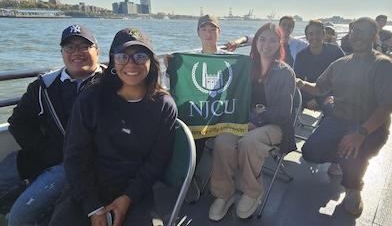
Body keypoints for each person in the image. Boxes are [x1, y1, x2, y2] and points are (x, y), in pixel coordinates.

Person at [49, 28, 177, 226]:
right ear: (113, 61)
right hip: (86, 189)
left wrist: (127, 198)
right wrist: (93, 207)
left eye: (140, 56)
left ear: (151, 62)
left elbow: (156, 162)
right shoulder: (90, 99)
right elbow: (75, 156)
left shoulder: (163, 105)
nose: (131, 63)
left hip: (135, 192)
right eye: (123, 56)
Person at [0, 24, 103, 225]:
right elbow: (18, 122)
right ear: (62, 52)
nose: (77, 53)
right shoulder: (44, 86)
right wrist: (46, 151)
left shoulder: (111, 84)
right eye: (70, 48)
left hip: (83, 164)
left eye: (84, 46)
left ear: (97, 51)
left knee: (21, 216)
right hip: (46, 156)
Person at [297, 17, 392, 216]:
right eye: (354, 31)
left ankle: (353, 189)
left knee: (353, 154)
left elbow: (387, 105)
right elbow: (319, 88)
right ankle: (340, 157)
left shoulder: (385, 66)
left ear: (374, 35)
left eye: (363, 31)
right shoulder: (340, 64)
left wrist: (360, 133)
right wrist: (300, 83)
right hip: (338, 119)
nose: (357, 35)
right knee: (309, 152)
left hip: (369, 125)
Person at [208, 23, 296, 221]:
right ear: (255, 41)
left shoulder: (284, 72)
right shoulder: (245, 67)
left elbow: (283, 111)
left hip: (275, 124)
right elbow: (229, 89)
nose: (267, 44)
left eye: (273, 40)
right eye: (262, 39)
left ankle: (252, 191)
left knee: (249, 142)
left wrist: (257, 119)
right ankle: (225, 193)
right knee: (223, 141)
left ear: (280, 43)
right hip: (244, 120)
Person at [165, 14, 231, 204]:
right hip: (199, 110)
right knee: (179, 125)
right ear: (198, 33)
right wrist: (171, 67)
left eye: (213, 30)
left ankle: (188, 176)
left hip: (222, 112)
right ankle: (182, 173)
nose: (209, 34)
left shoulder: (230, 59)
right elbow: (177, 85)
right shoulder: (189, 58)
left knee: (198, 131)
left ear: (219, 32)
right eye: (204, 29)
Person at [294, 20, 344, 111]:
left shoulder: (335, 51)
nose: (315, 37)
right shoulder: (301, 56)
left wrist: (333, 97)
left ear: (324, 34)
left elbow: (345, 76)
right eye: (311, 34)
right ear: (306, 37)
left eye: (318, 33)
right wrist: (309, 99)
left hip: (332, 96)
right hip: (310, 95)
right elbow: (297, 81)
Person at [225, 16, 308, 67]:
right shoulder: (270, 38)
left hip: (287, 76)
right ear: (279, 26)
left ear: (292, 28)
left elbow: (312, 46)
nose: (286, 28)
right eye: (284, 25)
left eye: (289, 26)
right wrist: (236, 42)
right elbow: (247, 38)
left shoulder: (297, 43)